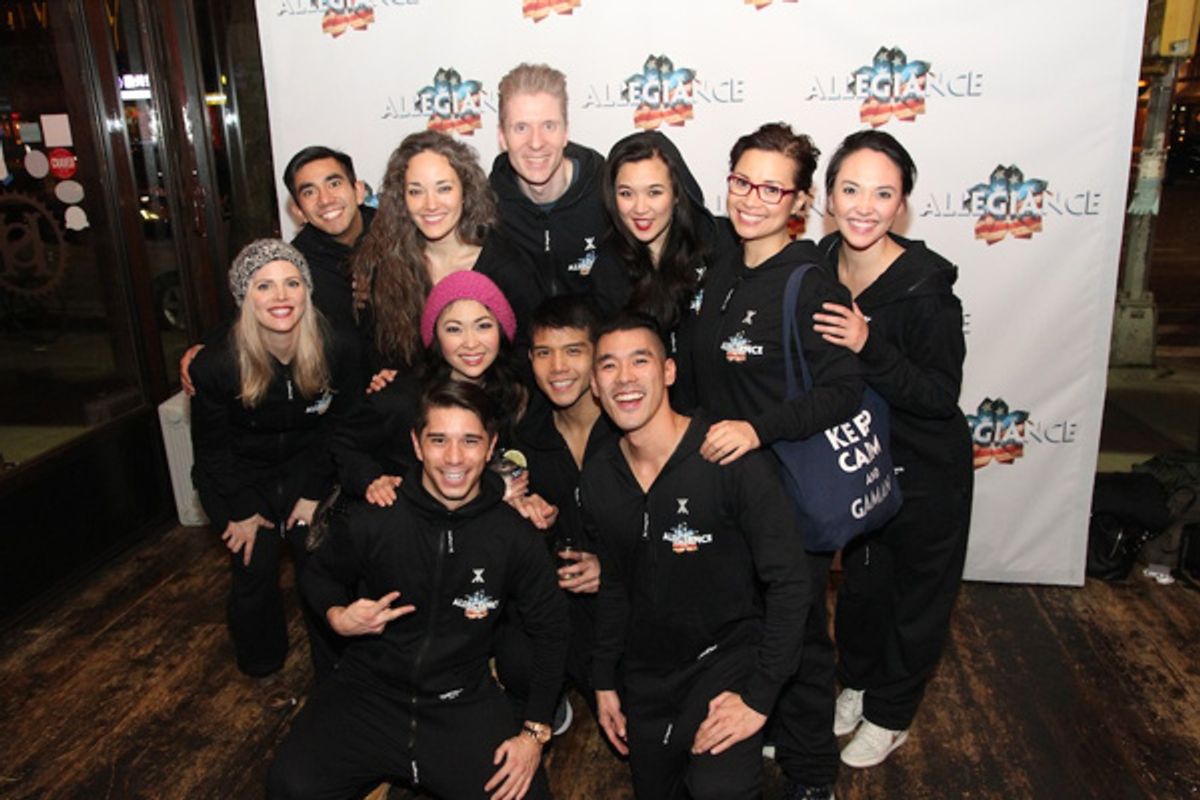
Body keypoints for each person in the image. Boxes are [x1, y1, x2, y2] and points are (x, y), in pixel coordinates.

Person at [267, 381, 569, 800]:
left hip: (459, 700)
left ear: (490, 446)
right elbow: (319, 575)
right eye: (438, 440)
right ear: (416, 444)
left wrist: (534, 732)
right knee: (290, 787)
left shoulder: (512, 535)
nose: (454, 458)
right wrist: (338, 613)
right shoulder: (376, 518)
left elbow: (552, 630)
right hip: (367, 691)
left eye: (470, 441)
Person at [685, 122, 863, 800]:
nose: (751, 199)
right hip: (723, 490)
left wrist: (758, 430)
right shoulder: (719, 266)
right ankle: (759, 722)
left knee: (805, 644)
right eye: (741, 182)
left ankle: (812, 774)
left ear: (798, 201)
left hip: (787, 493)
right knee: (746, 623)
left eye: (771, 188)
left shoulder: (809, 283)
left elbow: (844, 390)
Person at [582, 314, 808, 800]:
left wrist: (758, 697)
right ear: (595, 387)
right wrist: (603, 679)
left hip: (725, 663)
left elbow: (790, 582)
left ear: (668, 371)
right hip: (648, 678)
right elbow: (616, 583)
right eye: (609, 367)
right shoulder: (599, 477)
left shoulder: (728, 458)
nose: (624, 379)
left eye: (639, 361)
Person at [812, 130, 972, 768]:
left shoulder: (926, 290)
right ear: (828, 196)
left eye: (883, 193)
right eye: (850, 189)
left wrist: (868, 342)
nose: (864, 206)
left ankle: (892, 712)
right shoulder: (820, 261)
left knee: (915, 600)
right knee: (862, 592)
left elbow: (938, 394)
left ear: (902, 202)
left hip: (927, 471)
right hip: (857, 465)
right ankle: (857, 684)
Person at [189, 239, 361, 684]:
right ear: (245, 297)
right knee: (255, 564)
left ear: (307, 290)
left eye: (292, 283)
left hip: (312, 467)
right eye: (264, 286)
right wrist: (242, 509)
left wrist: (311, 494)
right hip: (238, 474)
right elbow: (212, 450)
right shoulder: (216, 364)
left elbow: (339, 428)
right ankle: (260, 659)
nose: (281, 297)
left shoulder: (336, 345)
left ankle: (335, 668)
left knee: (317, 558)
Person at [494, 295, 620, 729]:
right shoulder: (523, 436)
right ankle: (553, 693)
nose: (558, 368)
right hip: (557, 599)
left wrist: (613, 567)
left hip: (627, 596)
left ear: (597, 355)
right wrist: (513, 504)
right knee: (517, 664)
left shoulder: (631, 428)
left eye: (573, 351)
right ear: (530, 359)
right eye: (544, 353)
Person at [180, 146, 372, 393]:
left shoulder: (398, 236)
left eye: (334, 184)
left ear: (358, 191)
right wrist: (203, 347)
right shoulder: (294, 263)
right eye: (309, 192)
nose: (325, 200)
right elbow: (252, 309)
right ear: (298, 211)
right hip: (342, 388)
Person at [351, 130, 541, 374]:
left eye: (444, 188)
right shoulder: (388, 265)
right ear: (402, 199)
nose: (431, 204)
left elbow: (530, 352)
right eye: (416, 191)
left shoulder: (507, 265)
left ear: (465, 192)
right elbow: (382, 353)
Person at [593, 130, 734, 359]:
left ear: (677, 193)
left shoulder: (722, 243)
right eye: (626, 193)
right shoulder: (606, 266)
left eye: (654, 192)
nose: (640, 208)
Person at [490, 63, 607, 298]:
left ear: (566, 132)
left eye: (548, 126)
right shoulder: (487, 208)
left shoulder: (609, 193)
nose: (536, 142)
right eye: (521, 127)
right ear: (502, 137)